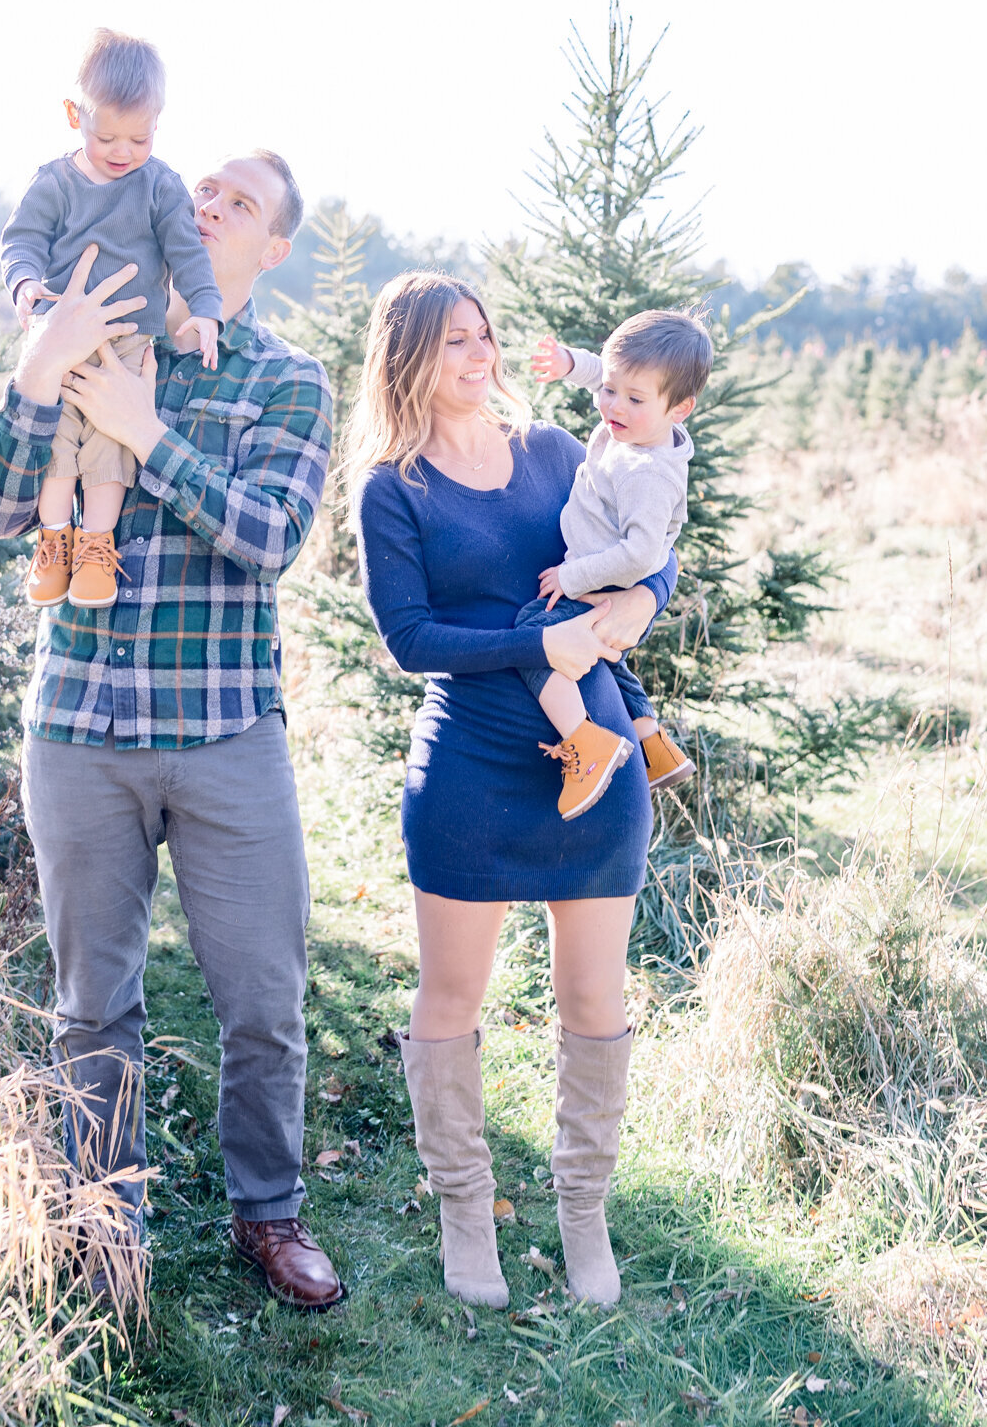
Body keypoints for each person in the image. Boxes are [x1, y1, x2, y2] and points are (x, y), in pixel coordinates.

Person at [0, 148, 344, 1311]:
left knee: (264, 1000)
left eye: (241, 203)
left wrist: (151, 434)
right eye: (207, 187)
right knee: (95, 1002)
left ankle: (267, 1212)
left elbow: (273, 534)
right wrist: (41, 374)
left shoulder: (287, 378)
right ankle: (105, 1217)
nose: (210, 201)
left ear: (268, 250)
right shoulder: (93, 331)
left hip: (228, 734)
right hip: (79, 727)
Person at [348, 273, 677, 1311]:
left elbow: (651, 547)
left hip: (598, 763)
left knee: (593, 997)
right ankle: (462, 1204)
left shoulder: (555, 451)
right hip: (470, 766)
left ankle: (583, 1210)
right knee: (450, 996)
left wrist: (637, 597)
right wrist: (539, 639)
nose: (477, 354)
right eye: (453, 341)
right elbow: (409, 639)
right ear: (407, 356)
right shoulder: (392, 485)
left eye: (483, 335)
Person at [0, 29, 223, 610]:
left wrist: (205, 309)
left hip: (126, 344)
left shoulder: (160, 186)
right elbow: (22, 240)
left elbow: (187, 254)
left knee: (107, 447)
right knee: (55, 439)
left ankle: (96, 547)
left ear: (158, 124)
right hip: (60, 335)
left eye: (139, 137)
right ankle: (53, 542)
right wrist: (25, 284)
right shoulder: (54, 183)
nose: (123, 150)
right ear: (74, 115)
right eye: (107, 137)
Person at [517, 309, 713, 817]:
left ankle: (586, 743)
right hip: (607, 579)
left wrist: (572, 577)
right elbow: (609, 370)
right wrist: (569, 364)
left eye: (633, 399)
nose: (612, 406)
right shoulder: (635, 430)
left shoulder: (646, 472)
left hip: (605, 584)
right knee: (610, 658)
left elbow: (643, 554)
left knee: (533, 637)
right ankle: (654, 746)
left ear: (680, 408)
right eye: (609, 390)